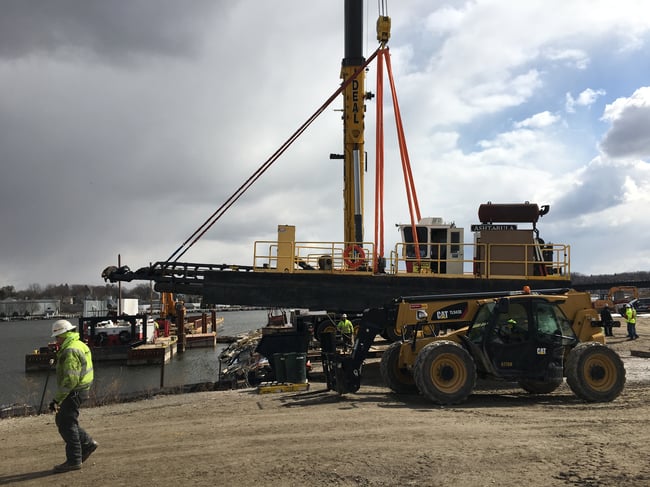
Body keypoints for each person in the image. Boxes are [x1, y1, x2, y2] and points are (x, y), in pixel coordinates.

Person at [49, 319, 98, 473]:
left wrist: (57, 399)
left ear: (63, 334)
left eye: (57, 337)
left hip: (74, 390)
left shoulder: (70, 350)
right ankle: (87, 443)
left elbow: (70, 379)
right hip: (81, 389)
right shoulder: (78, 345)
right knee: (66, 420)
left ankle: (74, 460)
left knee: (66, 423)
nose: (56, 340)